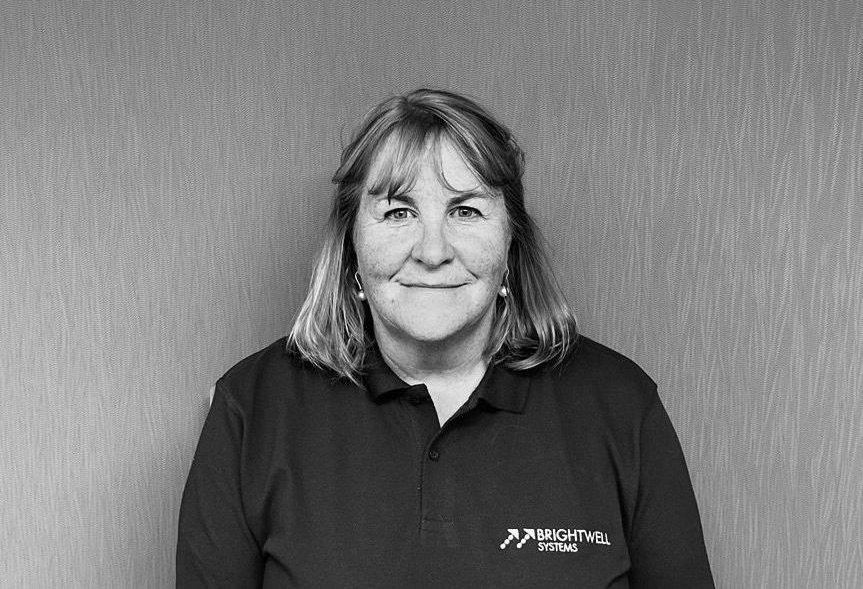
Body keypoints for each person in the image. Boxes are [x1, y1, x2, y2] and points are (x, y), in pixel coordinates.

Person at [176, 88, 714, 588]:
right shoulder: (251, 409)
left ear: (510, 245)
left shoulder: (620, 405)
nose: (432, 251)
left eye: (465, 210)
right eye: (399, 211)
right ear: (351, 250)